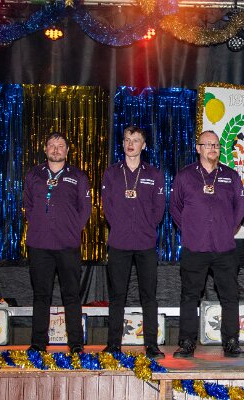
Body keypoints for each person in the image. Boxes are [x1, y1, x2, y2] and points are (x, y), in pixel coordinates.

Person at [170, 130, 244, 358]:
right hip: (195, 246)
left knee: (230, 296)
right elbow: (175, 208)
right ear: (198, 148)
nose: (212, 149)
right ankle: (186, 343)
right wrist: (191, 230)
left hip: (224, 247)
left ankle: (231, 342)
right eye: (207, 145)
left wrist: (227, 229)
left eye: (216, 145)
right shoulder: (185, 176)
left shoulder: (231, 176)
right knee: (190, 296)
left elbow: (240, 208)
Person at [23, 132, 92, 354]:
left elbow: (85, 209)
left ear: (67, 150)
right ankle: (38, 343)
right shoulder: (34, 174)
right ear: (45, 149)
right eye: (51, 145)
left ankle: (76, 343)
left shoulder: (77, 176)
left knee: (71, 295)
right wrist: (40, 224)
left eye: (60, 145)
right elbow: (28, 205)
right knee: (41, 295)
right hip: (39, 244)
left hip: (67, 244)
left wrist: (71, 229)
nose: (55, 149)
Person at [101, 126, 165, 358]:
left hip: (146, 243)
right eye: (127, 139)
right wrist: (120, 227)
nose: (131, 144)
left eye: (136, 140)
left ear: (143, 146)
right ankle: (113, 344)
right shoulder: (111, 173)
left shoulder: (154, 174)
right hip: (119, 242)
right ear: (123, 143)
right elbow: (107, 207)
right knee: (117, 296)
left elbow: (159, 209)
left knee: (149, 296)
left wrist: (146, 227)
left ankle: (151, 345)